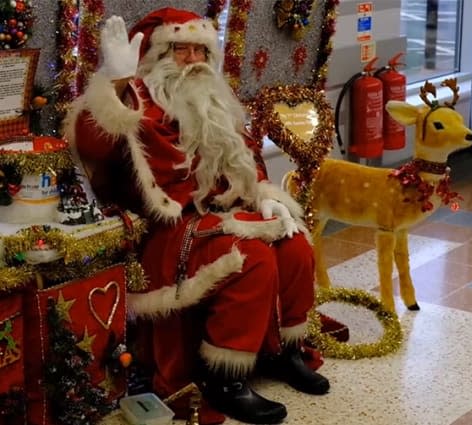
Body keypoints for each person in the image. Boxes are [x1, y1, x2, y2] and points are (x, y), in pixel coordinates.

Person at [65, 7, 329, 425]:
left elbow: (246, 158)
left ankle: (282, 351)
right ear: (155, 56)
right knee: (249, 260)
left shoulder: (217, 99)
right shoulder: (134, 102)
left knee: (294, 245)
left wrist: (263, 194)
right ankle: (223, 378)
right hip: (165, 228)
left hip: (224, 212)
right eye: (180, 50)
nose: (192, 61)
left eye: (199, 51)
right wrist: (112, 82)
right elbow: (92, 145)